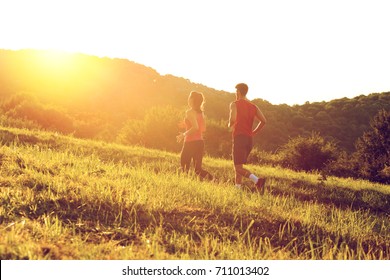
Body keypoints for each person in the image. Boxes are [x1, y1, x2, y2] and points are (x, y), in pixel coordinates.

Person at [228, 83, 267, 193]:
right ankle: (237, 191)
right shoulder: (254, 106)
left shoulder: (234, 104)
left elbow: (233, 119)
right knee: (239, 166)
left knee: (238, 168)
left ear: (239, 92)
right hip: (249, 140)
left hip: (239, 138)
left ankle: (257, 180)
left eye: (236, 92)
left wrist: (229, 124)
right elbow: (264, 121)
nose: (235, 94)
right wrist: (253, 132)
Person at [177, 91, 213, 180]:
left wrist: (184, 134)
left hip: (190, 142)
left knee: (184, 167)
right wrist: (187, 125)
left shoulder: (189, 112)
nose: (188, 99)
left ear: (192, 99)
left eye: (189, 97)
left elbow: (196, 127)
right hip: (199, 143)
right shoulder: (201, 113)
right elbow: (203, 129)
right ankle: (214, 180)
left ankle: (184, 185)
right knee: (198, 170)